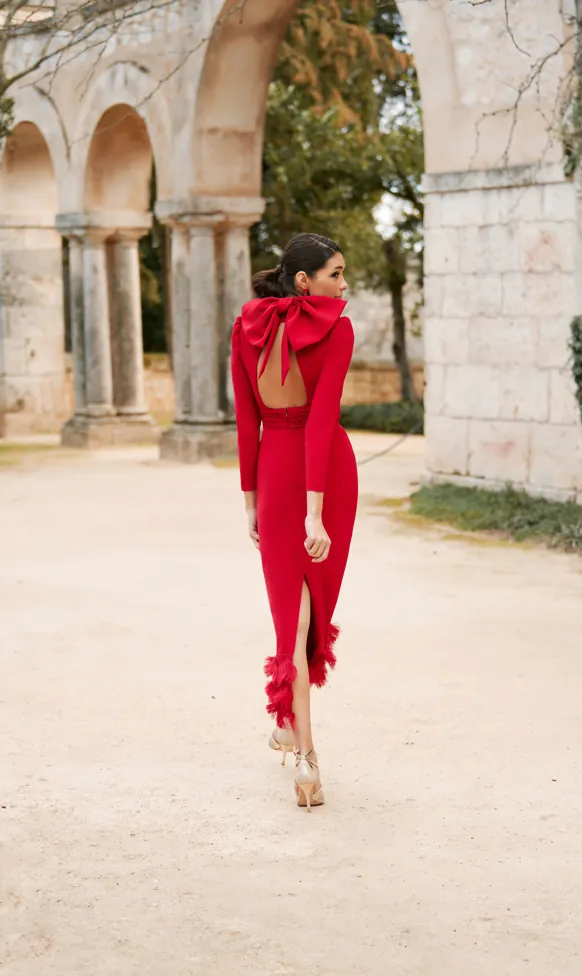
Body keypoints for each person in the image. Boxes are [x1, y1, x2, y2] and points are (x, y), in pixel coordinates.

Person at [231, 233, 358, 811]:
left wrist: (251, 500)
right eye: (336, 273)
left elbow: (247, 421)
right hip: (321, 477)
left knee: (297, 616)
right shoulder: (337, 330)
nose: (344, 284)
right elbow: (321, 418)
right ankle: (306, 755)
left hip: (283, 475)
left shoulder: (246, 327)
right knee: (302, 615)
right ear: (304, 281)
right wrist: (313, 512)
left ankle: (292, 732)